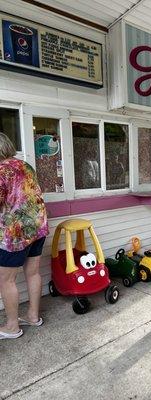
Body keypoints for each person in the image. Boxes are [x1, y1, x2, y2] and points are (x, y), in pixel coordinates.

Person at [0, 133, 49, 339]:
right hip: (38, 227)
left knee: (6, 280)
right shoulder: (25, 165)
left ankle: (12, 327)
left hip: (15, 234)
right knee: (33, 272)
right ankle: (33, 316)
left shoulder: (1, 171)